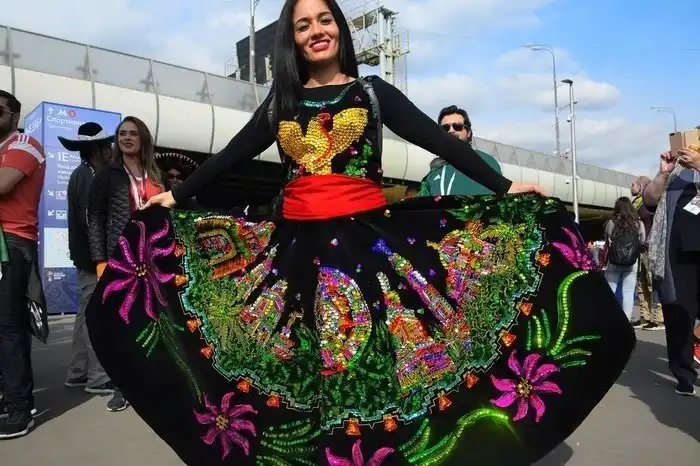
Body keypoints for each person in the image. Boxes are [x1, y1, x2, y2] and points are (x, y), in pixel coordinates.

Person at [85, 1, 635, 464]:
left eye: (324, 19)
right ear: (292, 41)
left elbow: (438, 141)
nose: (316, 31)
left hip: (367, 248)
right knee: (308, 368)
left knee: (377, 367)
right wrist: (176, 196)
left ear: (340, 28)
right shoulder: (283, 103)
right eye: (303, 25)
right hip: (297, 254)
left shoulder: (372, 93)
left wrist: (505, 186)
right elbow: (231, 154)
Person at [86, 116, 164, 411]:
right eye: (122, 134)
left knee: (153, 320)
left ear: (143, 139)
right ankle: (123, 386)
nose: (127, 138)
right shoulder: (107, 175)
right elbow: (95, 219)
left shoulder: (155, 175)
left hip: (154, 257)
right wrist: (100, 261)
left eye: (133, 133)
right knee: (122, 324)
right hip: (121, 259)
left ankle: (151, 380)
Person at [0, 90, 46, 439]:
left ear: (14, 116)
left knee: (8, 327)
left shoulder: (25, 145)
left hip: (12, 243)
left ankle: (20, 408)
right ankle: (10, 399)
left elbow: (2, 185)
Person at [61, 122, 116, 395]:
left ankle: (78, 371)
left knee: (84, 313)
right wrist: (101, 256)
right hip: (94, 258)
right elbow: (91, 221)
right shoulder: (91, 176)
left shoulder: (81, 173)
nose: (111, 150)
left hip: (86, 256)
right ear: (96, 149)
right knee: (95, 315)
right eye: (107, 145)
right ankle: (97, 377)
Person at [646, 147, 700, 396]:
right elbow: (649, 200)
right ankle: (684, 373)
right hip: (677, 254)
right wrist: (663, 174)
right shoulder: (677, 172)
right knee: (679, 312)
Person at [420, 105, 502, 196]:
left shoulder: (486, 161)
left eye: (457, 126)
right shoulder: (434, 171)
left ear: (469, 133)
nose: (451, 131)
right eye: (445, 128)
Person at [603, 197, 645, 324]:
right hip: (632, 262)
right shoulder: (638, 223)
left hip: (614, 261)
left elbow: (607, 238)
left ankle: (608, 319)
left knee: (610, 291)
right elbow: (642, 240)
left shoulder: (612, 222)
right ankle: (626, 321)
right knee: (628, 292)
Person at [631, 176, 664, 330]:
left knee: (652, 283)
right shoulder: (635, 204)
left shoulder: (650, 204)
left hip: (650, 248)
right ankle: (645, 316)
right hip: (638, 249)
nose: (631, 186)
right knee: (641, 283)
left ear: (642, 187)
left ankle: (658, 318)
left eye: (634, 184)